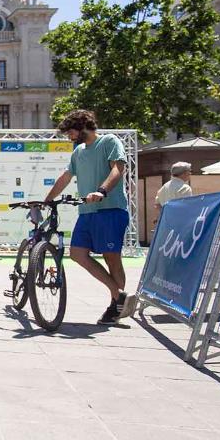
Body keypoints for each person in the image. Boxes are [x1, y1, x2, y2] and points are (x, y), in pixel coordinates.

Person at [44, 109, 134, 325]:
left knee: (112, 259)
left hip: (110, 209)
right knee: (77, 254)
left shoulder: (109, 141)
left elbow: (117, 169)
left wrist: (101, 191)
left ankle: (115, 308)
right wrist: (46, 200)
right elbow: (66, 177)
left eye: (71, 133)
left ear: (83, 127)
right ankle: (118, 292)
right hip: (86, 212)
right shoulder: (79, 152)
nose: (70, 137)